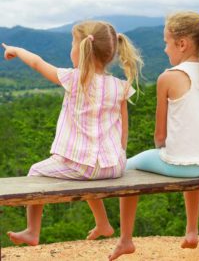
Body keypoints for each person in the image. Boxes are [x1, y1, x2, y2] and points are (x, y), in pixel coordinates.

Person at [1, 20, 143, 246]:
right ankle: (103, 223)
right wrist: (120, 155)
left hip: (83, 166)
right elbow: (124, 128)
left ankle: (32, 230)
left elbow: (37, 63)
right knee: (87, 170)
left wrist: (16, 50)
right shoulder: (120, 86)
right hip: (114, 166)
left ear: (82, 50)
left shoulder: (74, 79)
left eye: (72, 44)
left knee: (36, 171)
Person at [108, 11, 199, 260]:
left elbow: (159, 136)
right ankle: (192, 230)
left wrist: (163, 149)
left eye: (166, 43)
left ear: (182, 44)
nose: (165, 49)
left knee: (126, 167)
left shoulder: (168, 77)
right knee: (189, 154)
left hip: (179, 165)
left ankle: (125, 240)